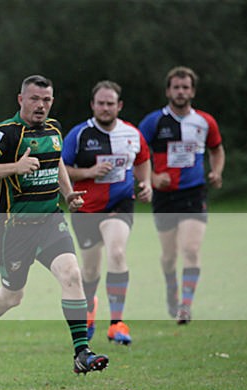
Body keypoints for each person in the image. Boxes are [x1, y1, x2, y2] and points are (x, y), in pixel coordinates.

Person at [0, 75, 108, 374]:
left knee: (72, 274)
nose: (40, 105)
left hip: (50, 220)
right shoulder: (5, 134)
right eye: (34, 99)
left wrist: (68, 193)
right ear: (21, 100)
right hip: (13, 229)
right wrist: (15, 167)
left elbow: (56, 161)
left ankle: (81, 352)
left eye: (46, 100)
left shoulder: (55, 129)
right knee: (13, 296)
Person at [62, 80, 152, 345]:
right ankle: (90, 308)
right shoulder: (79, 135)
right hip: (86, 208)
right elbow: (62, 169)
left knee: (117, 251)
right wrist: (88, 173)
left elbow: (143, 160)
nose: (105, 108)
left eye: (110, 103)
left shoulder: (132, 134)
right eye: (100, 103)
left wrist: (145, 183)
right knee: (89, 271)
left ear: (119, 106)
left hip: (119, 205)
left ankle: (117, 323)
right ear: (93, 105)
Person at [138, 66, 224, 325]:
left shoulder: (205, 122)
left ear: (193, 91)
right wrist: (151, 179)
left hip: (194, 193)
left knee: (191, 248)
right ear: (168, 91)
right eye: (176, 87)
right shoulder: (154, 122)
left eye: (185, 87)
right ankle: (170, 289)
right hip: (164, 197)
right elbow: (137, 155)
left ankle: (186, 305)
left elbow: (217, 150)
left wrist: (217, 171)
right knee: (169, 255)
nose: (180, 91)